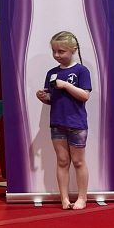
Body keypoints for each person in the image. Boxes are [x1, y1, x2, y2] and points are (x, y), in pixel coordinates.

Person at [36, 30, 91, 210]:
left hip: (76, 123)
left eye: (61, 51)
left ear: (73, 49)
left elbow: (85, 95)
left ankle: (82, 197)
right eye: (54, 51)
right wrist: (43, 97)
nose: (57, 55)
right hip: (57, 122)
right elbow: (51, 99)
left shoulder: (81, 70)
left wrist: (66, 85)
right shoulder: (52, 73)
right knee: (62, 161)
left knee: (78, 162)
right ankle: (64, 198)